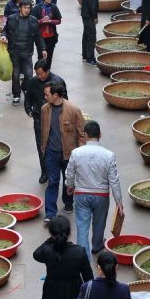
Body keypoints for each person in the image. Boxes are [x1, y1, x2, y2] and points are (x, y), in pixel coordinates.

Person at [66, 120, 123, 258]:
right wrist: (119, 201)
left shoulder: (76, 153)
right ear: (100, 134)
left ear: (85, 135)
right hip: (101, 196)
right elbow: (114, 180)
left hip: (81, 194)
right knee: (99, 223)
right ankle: (97, 246)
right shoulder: (109, 155)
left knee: (82, 226)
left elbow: (69, 173)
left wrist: (70, 186)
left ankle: (83, 255)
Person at [41, 82, 85, 221]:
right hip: (51, 153)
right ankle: (50, 213)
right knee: (53, 181)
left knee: (68, 181)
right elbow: (43, 129)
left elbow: (82, 133)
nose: (45, 97)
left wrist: (80, 152)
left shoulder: (73, 110)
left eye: (47, 94)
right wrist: (44, 148)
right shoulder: (45, 109)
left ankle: (68, 202)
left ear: (55, 95)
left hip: (69, 153)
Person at [25, 59, 67, 184]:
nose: (39, 76)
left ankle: (59, 169)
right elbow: (28, 98)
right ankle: (45, 171)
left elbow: (65, 100)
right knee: (41, 146)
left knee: (58, 144)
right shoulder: (33, 82)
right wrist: (29, 110)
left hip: (56, 118)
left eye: (41, 73)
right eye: (37, 74)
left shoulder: (58, 82)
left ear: (47, 71)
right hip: (39, 119)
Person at [1, 0, 47, 106]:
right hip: (14, 52)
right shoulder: (12, 19)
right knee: (15, 75)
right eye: (25, 8)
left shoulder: (33, 20)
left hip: (27, 52)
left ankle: (24, 87)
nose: (27, 10)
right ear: (20, 8)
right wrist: (3, 35)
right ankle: (16, 95)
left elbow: (38, 37)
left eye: (29, 8)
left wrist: (43, 49)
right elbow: (5, 30)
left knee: (29, 74)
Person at [32, 0, 62, 67]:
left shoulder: (54, 7)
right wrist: (41, 21)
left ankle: (47, 72)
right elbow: (32, 22)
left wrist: (50, 21)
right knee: (41, 56)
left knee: (49, 56)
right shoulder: (37, 8)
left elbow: (59, 21)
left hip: (51, 36)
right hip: (40, 37)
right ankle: (40, 72)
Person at [81, 0, 100, 65]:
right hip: (89, 15)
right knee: (91, 36)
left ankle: (85, 55)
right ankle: (90, 58)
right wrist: (95, 16)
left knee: (86, 34)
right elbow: (93, 4)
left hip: (85, 14)